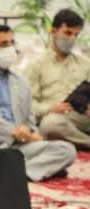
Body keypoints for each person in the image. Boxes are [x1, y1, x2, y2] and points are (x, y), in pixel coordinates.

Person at [0, 25, 76, 182]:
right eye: (4, 44)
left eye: (12, 43)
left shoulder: (22, 82)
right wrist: (16, 132)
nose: (11, 48)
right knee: (2, 156)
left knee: (66, 150)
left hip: (16, 146)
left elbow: (30, 121)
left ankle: (14, 174)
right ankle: (30, 169)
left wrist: (28, 130)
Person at [24, 9, 90, 150]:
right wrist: (50, 108)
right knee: (50, 125)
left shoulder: (85, 63)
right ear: (54, 32)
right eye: (68, 33)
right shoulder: (36, 65)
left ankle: (77, 140)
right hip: (56, 118)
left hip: (83, 116)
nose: (72, 39)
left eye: (76, 35)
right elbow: (27, 104)